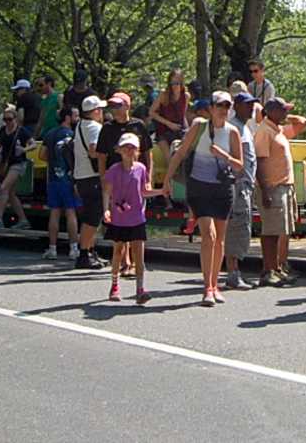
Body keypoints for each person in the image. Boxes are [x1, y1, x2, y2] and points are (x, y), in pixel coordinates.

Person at [164, 91, 246, 306]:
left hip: (223, 189)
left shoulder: (232, 132)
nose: (223, 110)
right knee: (208, 235)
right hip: (199, 187)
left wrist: (223, 156)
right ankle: (207, 288)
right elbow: (180, 153)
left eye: (227, 106)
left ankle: (215, 284)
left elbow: (239, 166)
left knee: (219, 239)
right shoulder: (199, 127)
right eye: (220, 105)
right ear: (211, 108)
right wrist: (167, 180)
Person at [254, 97, 306, 287]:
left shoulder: (277, 129)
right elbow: (260, 162)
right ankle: (267, 270)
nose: (286, 114)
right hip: (272, 187)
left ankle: (277, 267)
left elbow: (303, 123)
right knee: (270, 231)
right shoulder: (264, 131)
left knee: (280, 230)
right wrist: (265, 190)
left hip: (284, 186)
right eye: (283, 110)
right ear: (271, 112)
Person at [95, 92, 152, 277]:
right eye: (112, 106)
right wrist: (103, 177)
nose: (115, 110)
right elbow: (102, 156)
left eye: (118, 106)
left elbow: (147, 152)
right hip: (116, 179)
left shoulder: (138, 126)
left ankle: (134, 263)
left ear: (127, 106)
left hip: (136, 178)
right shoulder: (107, 128)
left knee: (135, 217)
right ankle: (125, 262)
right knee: (120, 218)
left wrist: (149, 178)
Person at [102, 133, 162, 305]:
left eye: (133, 148)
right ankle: (114, 285)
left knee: (139, 255)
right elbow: (107, 191)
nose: (129, 151)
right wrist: (106, 210)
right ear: (119, 150)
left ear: (138, 151)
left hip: (136, 217)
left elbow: (144, 191)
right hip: (119, 218)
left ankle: (140, 289)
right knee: (118, 251)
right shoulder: (113, 170)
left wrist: (160, 191)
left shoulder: (141, 169)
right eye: (126, 147)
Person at [223, 91, 258, 290]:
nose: (251, 108)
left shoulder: (246, 129)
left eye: (252, 104)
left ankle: (235, 272)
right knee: (236, 228)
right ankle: (232, 273)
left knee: (243, 229)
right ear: (236, 107)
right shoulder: (232, 129)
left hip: (246, 186)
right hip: (237, 187)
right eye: (247, 105)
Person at [148, 69, 192, 229]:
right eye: (173, 83)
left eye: (178, 83)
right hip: (164, 132)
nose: (175, 86)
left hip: (179, 131)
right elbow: (151, 112)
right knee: (169, 161)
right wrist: (167, 124)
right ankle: (166, 199)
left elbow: (183, 116)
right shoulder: (163, 95)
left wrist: (187, 131)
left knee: (183, 160)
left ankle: (183, 197)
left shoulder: (186, 96)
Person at [71, 95, 107, 269]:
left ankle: (91, 252)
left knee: (92, 217)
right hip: (92, 176)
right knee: (92, 219)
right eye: (99, 109)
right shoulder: (94, 128)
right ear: (94, 112)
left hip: (81, 176)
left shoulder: (79, 126)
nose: (101, 112)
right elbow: (94, 151)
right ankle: (84, 254)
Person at [40, 108, 80, 260]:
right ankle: (74, 249)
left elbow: (42, 155)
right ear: (67, 117)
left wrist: (55, 162)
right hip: (69, 179)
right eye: (75, 115)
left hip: (53, 179)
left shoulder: (49, 134)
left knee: (54, 213)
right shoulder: (72, 135)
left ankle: (52, 248)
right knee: (71, 213)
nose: (77, 118)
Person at [0, 108, 36, 231]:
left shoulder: (22, 131)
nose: (7, 122)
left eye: (10, 119)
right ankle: (23, 220)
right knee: (11, 193)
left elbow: (33, 144)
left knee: (4, 188)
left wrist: (23, 150)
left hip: (18, 163)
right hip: (6, 164)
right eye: (5, 120)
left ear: (15, 119)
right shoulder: (2, 130)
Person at [35, 76, 60, 140]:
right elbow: (41, 120)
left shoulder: (59, 97)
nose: (39, 88)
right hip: (46, 132)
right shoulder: (44, 101)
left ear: (49, 84)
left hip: (56, 131)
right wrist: (35, 135)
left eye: (41, 85)